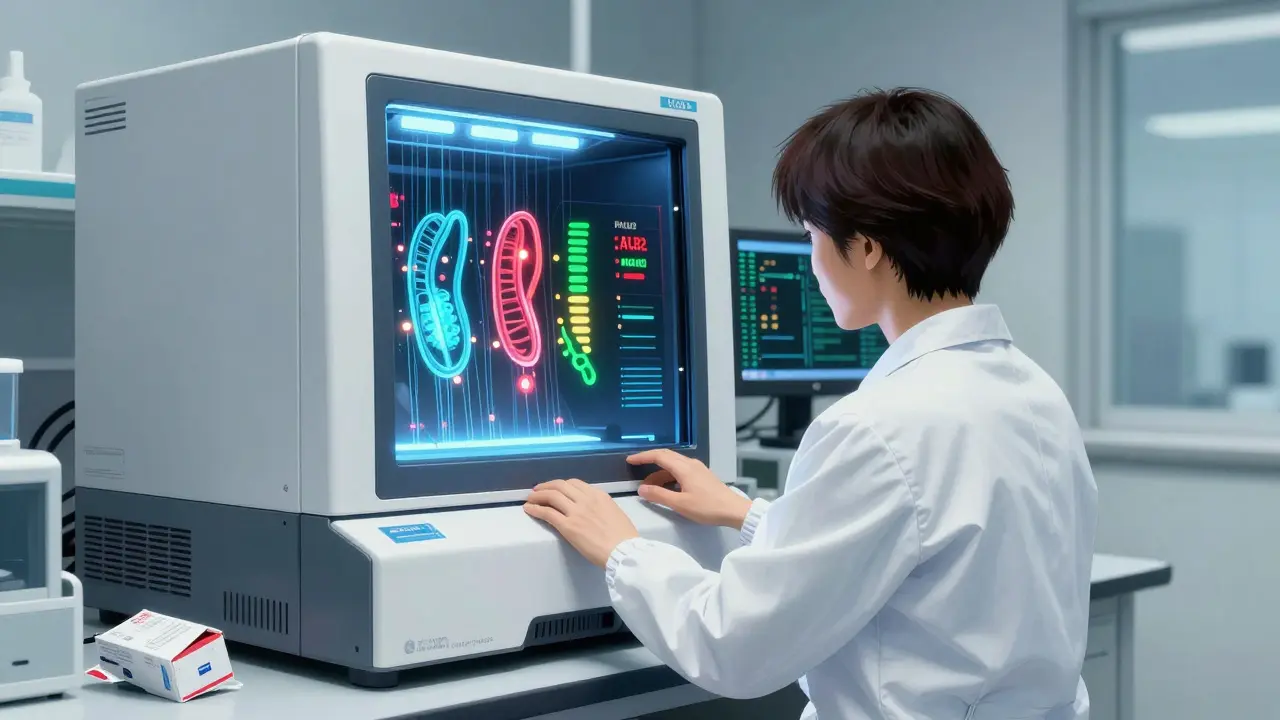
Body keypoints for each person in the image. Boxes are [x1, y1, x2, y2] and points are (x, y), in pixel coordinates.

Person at [523, 87, 1098, 720]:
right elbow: (930, 553)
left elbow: (734, 645)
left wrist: (621, 550)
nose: (814, 261)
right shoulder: (1034, 393)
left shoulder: (877, 429)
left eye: (812, 234)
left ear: (868, 247)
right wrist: (746, 514)